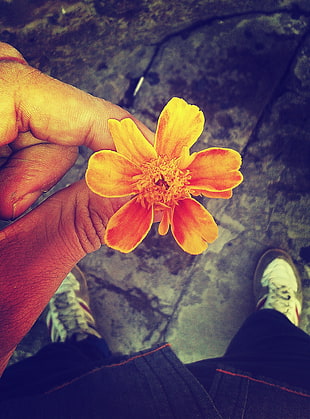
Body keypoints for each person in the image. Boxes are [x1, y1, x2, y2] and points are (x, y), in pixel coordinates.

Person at [0, 42, 309, 418]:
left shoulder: (180, 193)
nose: (163, 184)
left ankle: (77, 343)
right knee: (283, 353)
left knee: (56, 377)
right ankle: (275, 321)